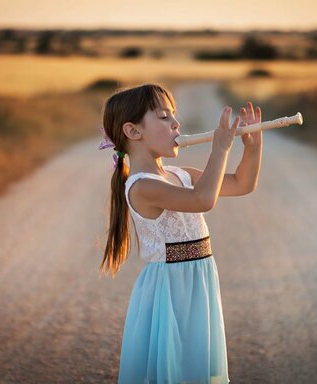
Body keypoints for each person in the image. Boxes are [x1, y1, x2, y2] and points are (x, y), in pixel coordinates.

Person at [98, 82, 262, 383]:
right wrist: (220, 148)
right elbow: (202, 200)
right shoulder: (142, 186)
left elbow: (242, 183)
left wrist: (252, 147)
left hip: (198, 281)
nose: (176, 123)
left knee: (196, 369)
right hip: (170, 290)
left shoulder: (181, 174)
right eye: (163, 117)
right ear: (133, 131)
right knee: (174, 370)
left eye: (173, 115)